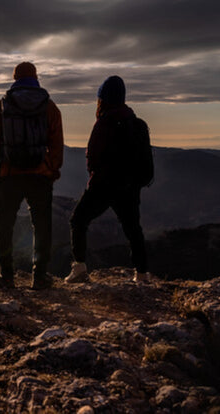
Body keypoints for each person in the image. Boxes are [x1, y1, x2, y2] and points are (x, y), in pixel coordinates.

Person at [0, 62, 64, 290]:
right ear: (35, 77)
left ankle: (7, 275)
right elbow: (56, 144)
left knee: (5, 224)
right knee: (42, 225)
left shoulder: (0, 107)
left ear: (15, 78)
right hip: (40, 175)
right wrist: (51, 170)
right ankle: (40, 276)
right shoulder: (49, 107)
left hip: (8, 176)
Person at [65, 75, 150, 284]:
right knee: (133, 228)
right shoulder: (136, 122)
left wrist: (95, 176)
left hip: (103, 185)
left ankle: (80, 269)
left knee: (78, 221)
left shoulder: (105, 121)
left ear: (103, 98)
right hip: (130, 186)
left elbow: (92, 155)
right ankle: (142, 274)